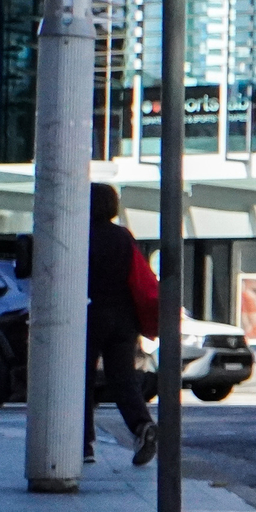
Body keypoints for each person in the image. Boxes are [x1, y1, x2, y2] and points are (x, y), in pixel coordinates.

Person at [85, 183, 157, 467]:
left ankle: (83, 445)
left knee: (81, 380)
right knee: (123, 378)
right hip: (124, 318)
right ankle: (142, 426)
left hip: (88, 312)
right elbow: (137, 277)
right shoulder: (123, 237)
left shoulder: (79, 234)